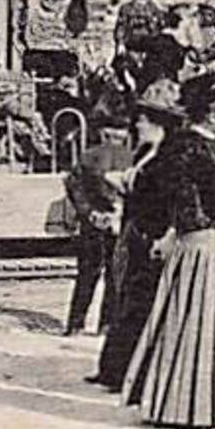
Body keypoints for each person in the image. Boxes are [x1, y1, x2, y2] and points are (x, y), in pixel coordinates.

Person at [123, 70, 215, 429]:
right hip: (203, 245)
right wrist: (199, 231)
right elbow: (180, 195)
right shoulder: (185, 144)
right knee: (198, 321)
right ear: (213, 112)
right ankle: (185, 405)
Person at [89, 79, 179, 391]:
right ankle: (114, 368)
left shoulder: (166, 155)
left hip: (150, 232)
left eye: (143, 118)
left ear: (158, 123)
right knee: (124, 297)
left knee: (139, 302)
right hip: (134, 228)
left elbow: (159, 193)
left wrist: (129, 185)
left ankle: (128, 371)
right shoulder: (146, 151)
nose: (137, 123)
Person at [63, 115, 133, 336]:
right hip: (120, 221)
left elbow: (74, 186)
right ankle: (106, 324)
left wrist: (89, 212)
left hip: (93, 222)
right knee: (115, 276)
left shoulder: (88, 156)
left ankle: (75, 324)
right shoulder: (133, 158)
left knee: (87, 274)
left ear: (103, 133)